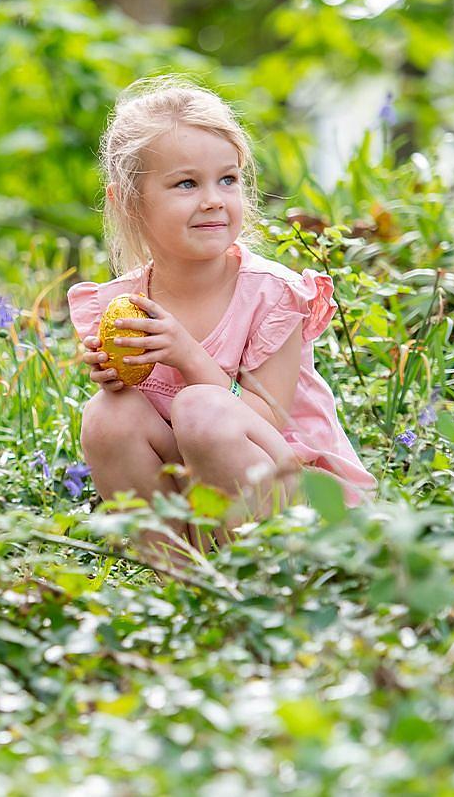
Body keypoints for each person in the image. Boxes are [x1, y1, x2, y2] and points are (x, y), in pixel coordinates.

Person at [69, 76, 374, 564]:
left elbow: (266, 418)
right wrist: (113, 376)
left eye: (227, 179)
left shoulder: (271, 294)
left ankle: (265, 572)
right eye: (187, 183)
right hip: (197, 500)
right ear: (130, 202)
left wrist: (188, 356)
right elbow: (135, 424)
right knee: (107, 416)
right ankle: (179, 575)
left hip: (292, 497)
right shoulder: (123, 305)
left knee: (202, 408)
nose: (213, 198)